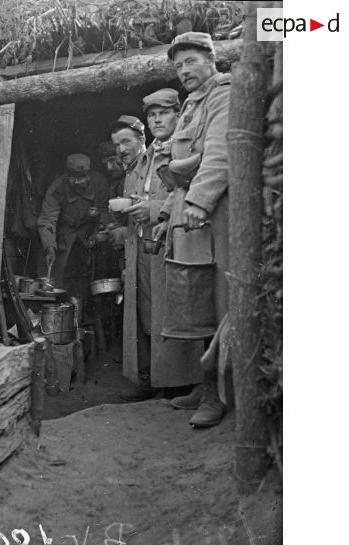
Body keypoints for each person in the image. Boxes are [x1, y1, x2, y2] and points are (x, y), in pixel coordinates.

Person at [152, 32, 231, 427]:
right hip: (190, 214)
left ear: (211, 58)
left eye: (190, 61)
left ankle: (220, 394)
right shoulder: (190, 107)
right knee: (198, 299)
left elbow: (219, 155)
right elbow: (177, 170)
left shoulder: (223, 94)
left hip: (218, 214)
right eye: (178, 65)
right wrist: (169, 214)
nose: (183, 71)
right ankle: (206, 384)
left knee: (222, 302)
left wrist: (200, 201)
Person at [112, 97, 203, 403]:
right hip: (144, 246)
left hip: (174, 245)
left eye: (163, 114)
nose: (157, 121)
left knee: (174, 312)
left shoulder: (185, 151)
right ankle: (152, 378)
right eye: (152, 115)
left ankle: (180, 382)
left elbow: (187, 194)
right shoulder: (147, 157)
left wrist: (150, 209)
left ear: (178, 115)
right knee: (147, 313)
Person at [37, 153, 109, 301]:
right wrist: (49, 246)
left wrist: (97, 232)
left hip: (88, 235)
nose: (76, 182)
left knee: (90, 281)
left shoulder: (100, 183)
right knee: (55, 279)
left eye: (81, 177)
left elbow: (106, 211)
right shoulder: (57, 186)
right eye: (72, 177)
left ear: (89, 175)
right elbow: (47, 218)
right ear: (66, 174)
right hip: (64, 235)